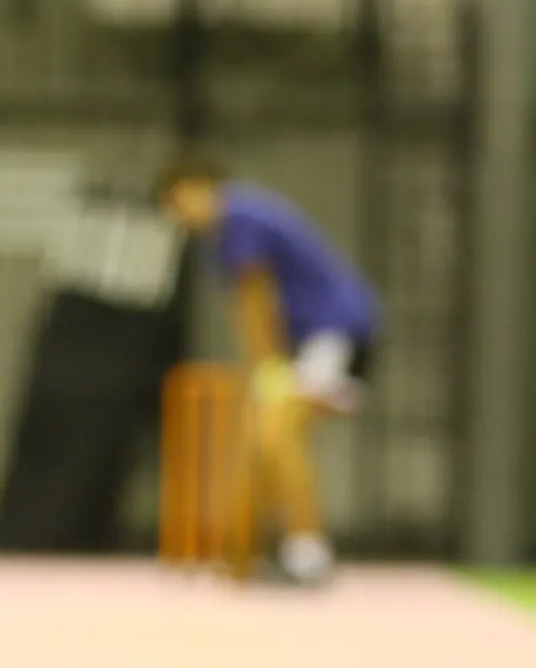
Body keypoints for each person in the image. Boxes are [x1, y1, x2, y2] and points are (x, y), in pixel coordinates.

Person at [155, 152, 380, 587]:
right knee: (261, 439)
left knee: (277, 430)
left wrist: (267, 368)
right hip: (310, 342)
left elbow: (256, 299)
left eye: (177, 204)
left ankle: (308, 552)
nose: (179, 217)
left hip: (332, 335)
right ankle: (241, 555)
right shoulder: (224, 230)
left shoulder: (236, 216)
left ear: (195, 186)